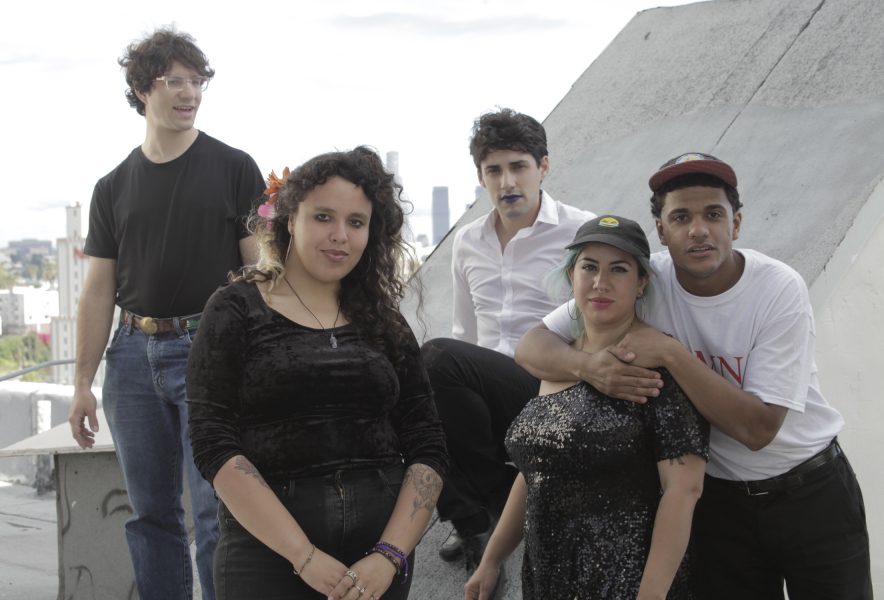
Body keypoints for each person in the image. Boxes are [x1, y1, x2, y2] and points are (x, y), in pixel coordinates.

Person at [516, 153, 872, 599]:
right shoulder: (643, 281)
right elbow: (532, 345)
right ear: (662, 231)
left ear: (736, 224)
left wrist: (671, 353)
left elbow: (758, 429)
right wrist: (591, 368)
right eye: (681, 217)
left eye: (713, 215)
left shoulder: (777, 288)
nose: (698, 230)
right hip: (720, 505)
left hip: (810, 492)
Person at [186, 147, 449, 600]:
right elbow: (213, 443)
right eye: (323, 217)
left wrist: (389, 556)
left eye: (356, 222)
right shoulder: (235, 309)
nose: (339, 236)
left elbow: (428, 444)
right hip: (268, 559)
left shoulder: (383, 320)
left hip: (378, 564)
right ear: (291, 219)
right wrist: (303, 556)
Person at [68, 28, 264, 600]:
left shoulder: (234, 167)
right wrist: (81, 384)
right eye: (173, 81)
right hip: (130, 357)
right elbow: (97, 291)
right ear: (141, 89)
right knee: (150, 516)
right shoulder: (112, 186)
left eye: (196, 81)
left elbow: (261, 272)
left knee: (215, 512)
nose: (189, 93)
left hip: (210, 349)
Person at [464, 215, 708, 600]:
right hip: (548, 577)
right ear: (571, 275)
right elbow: (537, 471)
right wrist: (492, 558)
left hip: (626, 582)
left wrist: (651, 595)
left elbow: (683, 490)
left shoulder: (653, 367)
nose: (600, 282)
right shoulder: (559, 361)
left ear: (642, 283)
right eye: (589, 267)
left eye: (619, 269)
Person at [420, 108, 594, 586]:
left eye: (518, 166)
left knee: (436, 359)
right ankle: (476, 515)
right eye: (493, 170)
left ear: (544, 167)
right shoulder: (468, 242)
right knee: (414, 379)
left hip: (552, 391)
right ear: (481, 177)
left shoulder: (581, 233)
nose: (507, 181)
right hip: (486, 392)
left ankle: (493, 501)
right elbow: (466, 332)